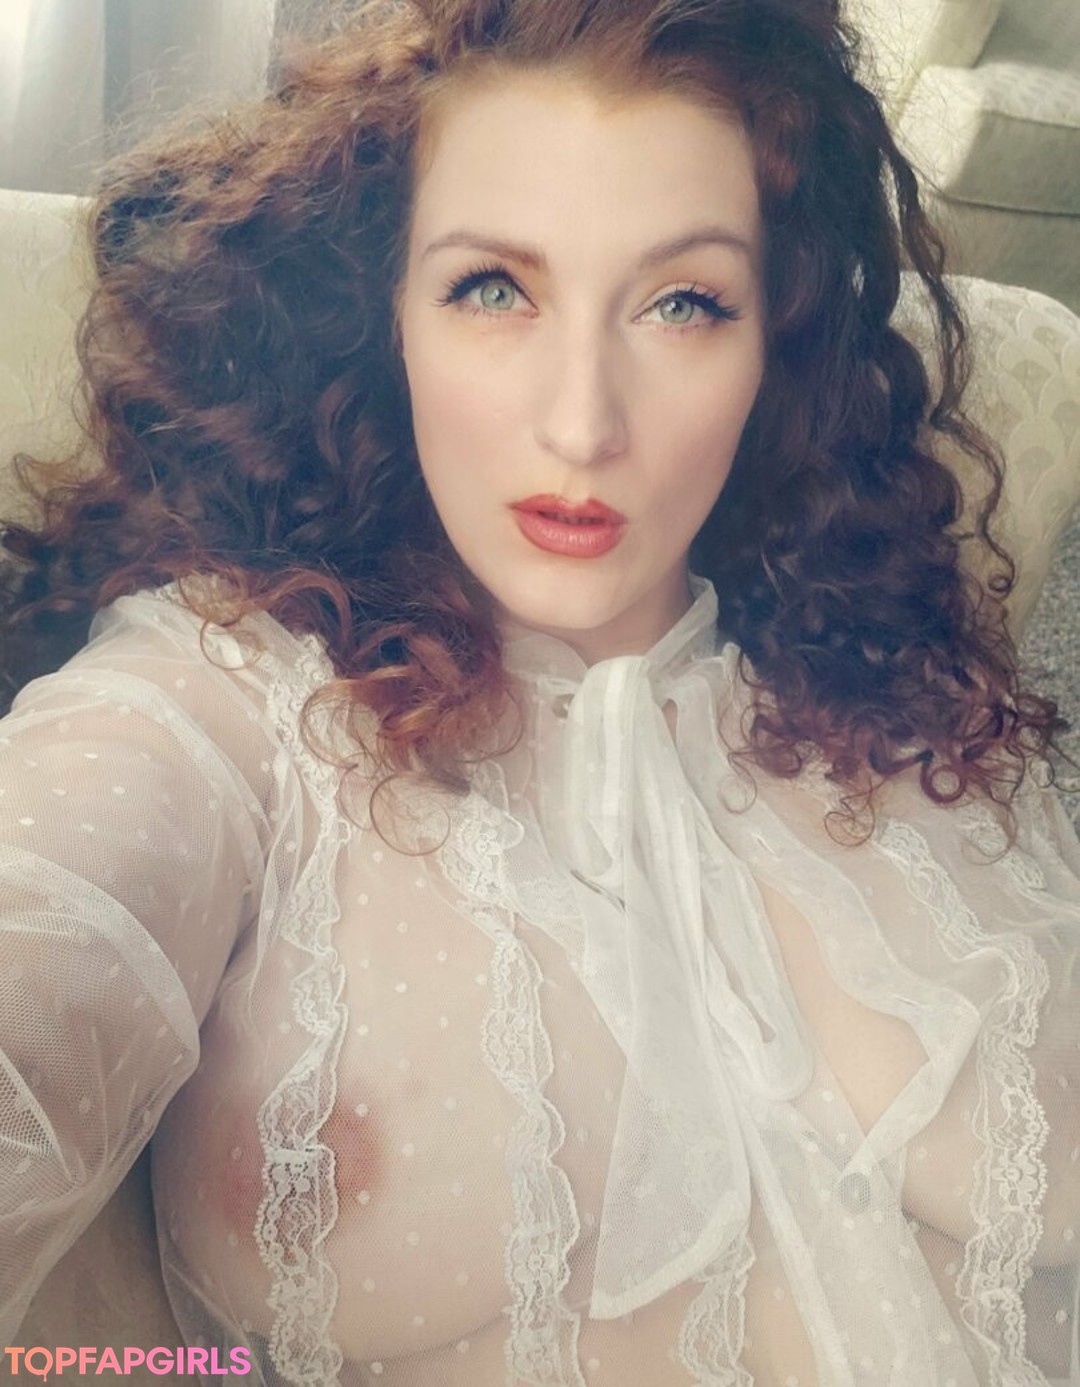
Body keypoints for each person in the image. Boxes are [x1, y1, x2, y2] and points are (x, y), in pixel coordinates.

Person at [0, 0, 1077, 1382]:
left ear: (778, 346)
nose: (582, 424)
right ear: (386, 317)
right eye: (493, 289)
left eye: (684, 303)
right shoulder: (219, 703)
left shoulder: (915, 700)